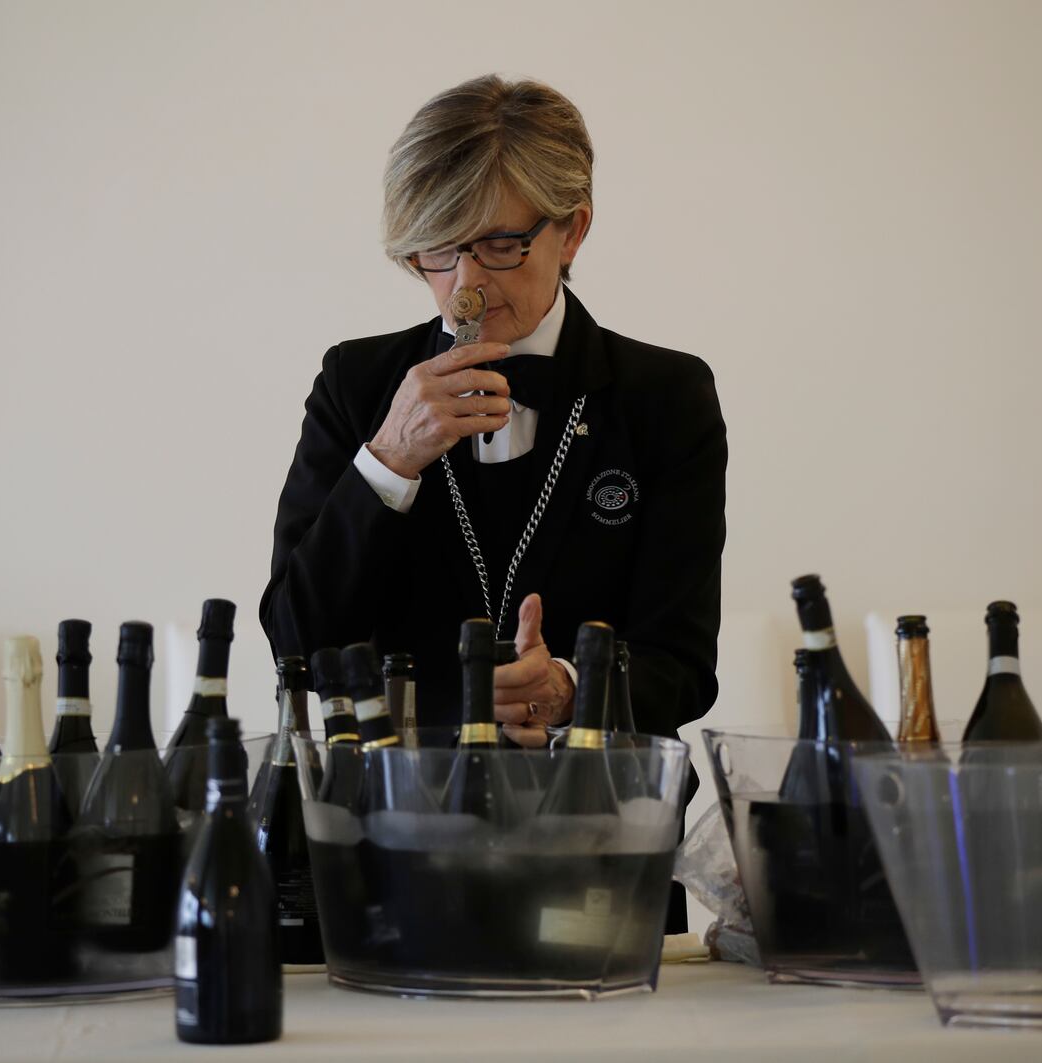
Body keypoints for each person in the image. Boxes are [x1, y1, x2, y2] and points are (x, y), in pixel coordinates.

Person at [259, 75, 726, 925]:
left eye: (500, 245)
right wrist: (388, 459)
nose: (466, 283)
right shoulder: (356, 383)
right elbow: (297, 635)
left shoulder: (665, 396)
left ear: (573, 227)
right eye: (438, 250)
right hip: (387, 851)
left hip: (600, 850)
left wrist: (566, 693)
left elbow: (683, 663)